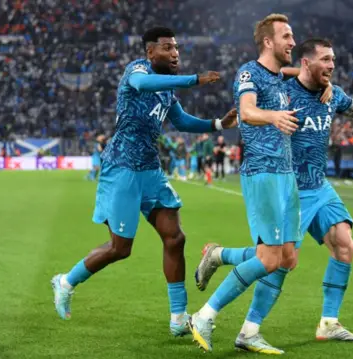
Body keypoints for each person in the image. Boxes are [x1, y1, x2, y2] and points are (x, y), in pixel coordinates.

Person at [193, 38, 353, 353]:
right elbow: (254, 95)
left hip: (320, 186)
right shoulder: (283, 93)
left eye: (333, 59)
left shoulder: (334, 95)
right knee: (282, 261)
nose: (332, 65)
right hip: (292, 188)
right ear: (306, 62)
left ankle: (329, 323)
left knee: (345, 245)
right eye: (326, 60)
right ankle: (246, 320)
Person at [50, 27, 237, 337]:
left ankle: (178, 318)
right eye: (167, 48)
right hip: (122, 167)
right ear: (151, 52)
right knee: (120, 248)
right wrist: (193, 79)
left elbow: (181, 121)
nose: (175, 53)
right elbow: (142, 83)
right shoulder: (137, 70)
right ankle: (66, 281)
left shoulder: (167, 91)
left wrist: (218, 124)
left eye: (177, 47)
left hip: (150, 169)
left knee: (175, 238)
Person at [189, 14, 301, 353]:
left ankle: (220, 259)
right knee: (269, 259)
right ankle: (204, 316)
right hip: (262, 172)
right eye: (286, 36)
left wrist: (319, 78)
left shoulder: (280, 75)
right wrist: (273, 116)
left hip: (287, 172)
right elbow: (247, 110)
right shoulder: (248, 73)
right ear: (268, 42)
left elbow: (299, 72)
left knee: (287, 257)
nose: (292, 42)